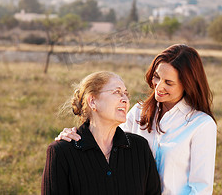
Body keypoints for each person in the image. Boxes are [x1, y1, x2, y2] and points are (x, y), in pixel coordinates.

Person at [55, 44, 217, 195]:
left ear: (187, 85)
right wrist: (74, 136)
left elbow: (201, 188)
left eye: (168, 82)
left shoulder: (201, 125)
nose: (159, 86)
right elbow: (107, 144)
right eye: (156, 77)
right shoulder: (138, 112)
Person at [42, 71, 161, 195]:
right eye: (117, 92)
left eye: (126, 94)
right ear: (92, 101)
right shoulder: (61, 152)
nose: (125, 99)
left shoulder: (139, 147)